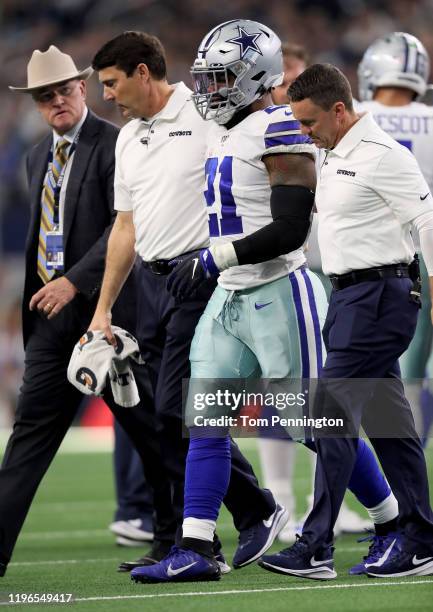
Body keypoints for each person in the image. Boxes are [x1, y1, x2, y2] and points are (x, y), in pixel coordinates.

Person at [130, 20, 399, 585]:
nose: (207, 89)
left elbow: (291, 228)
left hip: (279, 293)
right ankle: (198, 546)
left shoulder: (280, 125)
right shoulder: (216, 131)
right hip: (229, 299)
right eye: (204, 77)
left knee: (316, 423)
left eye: (221, 76)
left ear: (256, 77)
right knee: (204, 420)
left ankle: (391, 520)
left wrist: (213, 258)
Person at [89, 30, 285, 574]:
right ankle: (213, 531)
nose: (106, 94)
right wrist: (103, 309)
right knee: (168, 416)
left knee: (185, 410)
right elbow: (124, 229)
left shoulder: (206, 114)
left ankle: (238, 522)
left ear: (142, 73)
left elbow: (257, 174)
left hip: (203, 276)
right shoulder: (128, 138)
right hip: (151, 284)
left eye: (111, 82)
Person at [0, 45, 175, 577]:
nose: (56, 101)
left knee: (154, 429)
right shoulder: (36, 158)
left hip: (113, 315)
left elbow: (125, 227)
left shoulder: (119, 142)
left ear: (82, 88)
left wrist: (74, 283)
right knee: (30, 434)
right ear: (35, 104)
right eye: (43, 96)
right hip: (54, 321)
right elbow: (44, 238)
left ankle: (216, 521)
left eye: (63, 90)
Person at [259, 62, 433, 579]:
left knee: (331, 419)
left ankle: (315, 546)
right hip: (350, 299)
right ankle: (421, 539)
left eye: (310, 123)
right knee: (392, 429)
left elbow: (426, 223)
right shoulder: (332, 152)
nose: (305, 133)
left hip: (381, 296)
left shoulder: (384, 157)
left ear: (340, 109)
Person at [262, 41, 370, 544]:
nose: (285, 92)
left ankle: (330, 505)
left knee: (327, 395)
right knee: (281, 391)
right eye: (280, 82)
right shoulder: (262, 135)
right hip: (287, 268)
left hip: (336, 270)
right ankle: (280, 496)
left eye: (293, 79)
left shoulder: (337, 135)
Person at [357, 31, 433, 445]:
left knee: (343, 370)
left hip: (366, 254)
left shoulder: (350, 112)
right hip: (424, 249)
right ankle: (411, 476)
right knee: (413, 373)